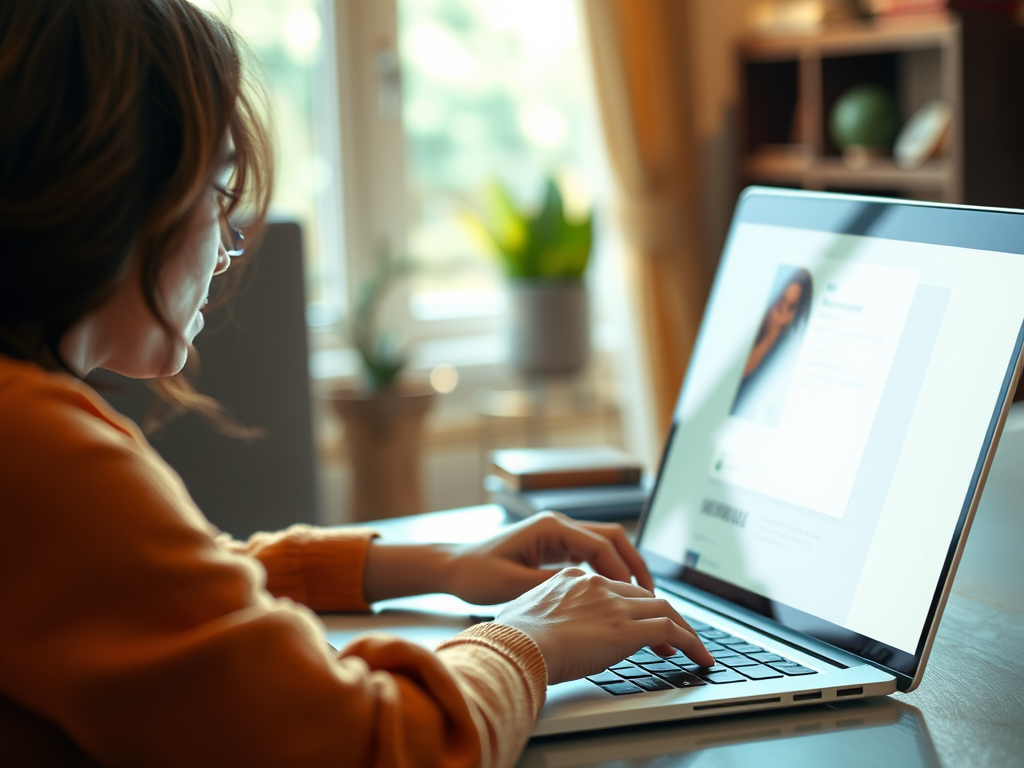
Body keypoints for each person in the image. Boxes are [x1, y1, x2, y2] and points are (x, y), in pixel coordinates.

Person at [0, 3, 712, 767]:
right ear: (124, 189)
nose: (229, 244)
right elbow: (370, 748)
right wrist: (527, 640)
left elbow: (154, 592)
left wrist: (440, 563)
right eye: (219, 191)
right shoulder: (41, 453)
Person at [730, 267, 813, 426]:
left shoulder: (791, 345)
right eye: (781, 303)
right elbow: (741, 372)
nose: (781, 314)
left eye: (790, 307)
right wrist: (770, 336)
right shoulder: (751, 323)